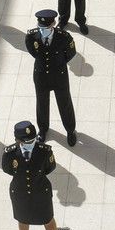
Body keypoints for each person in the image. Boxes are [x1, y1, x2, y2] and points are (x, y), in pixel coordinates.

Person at [2, 121, 61, 230]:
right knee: (23, 220)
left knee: (48, 219)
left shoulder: (44, 151)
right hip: (20, 192)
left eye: (32, 139)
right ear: (18, 141)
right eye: (26, 141)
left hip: (41, 191)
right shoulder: (10, 153)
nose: (30, 142)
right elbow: (8, 169)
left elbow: (50, 167)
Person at [27, 9, 78, 145]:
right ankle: (43, 129)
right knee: (41, 103)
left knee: (64, 103)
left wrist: (59, 64)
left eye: (47, 28)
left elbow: (71, 53)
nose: (43, 30)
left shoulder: (64, 37)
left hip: (59, 75)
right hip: (41, 75)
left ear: (54, 24)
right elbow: (33, 52)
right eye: (41, 28)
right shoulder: (32, 36)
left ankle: (70, 130)